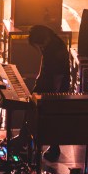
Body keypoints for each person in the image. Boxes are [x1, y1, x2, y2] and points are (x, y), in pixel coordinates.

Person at [28, 23, 71, 160]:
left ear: (43, 40)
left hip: (52, 89)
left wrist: (53, 96)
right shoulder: (52, 43)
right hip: (46, 85)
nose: (39, 48)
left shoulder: (55, 50)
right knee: (33, 112)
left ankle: (51, 148)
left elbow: (57, 76)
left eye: (39, 45)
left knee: (48, 117)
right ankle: (26, 139)